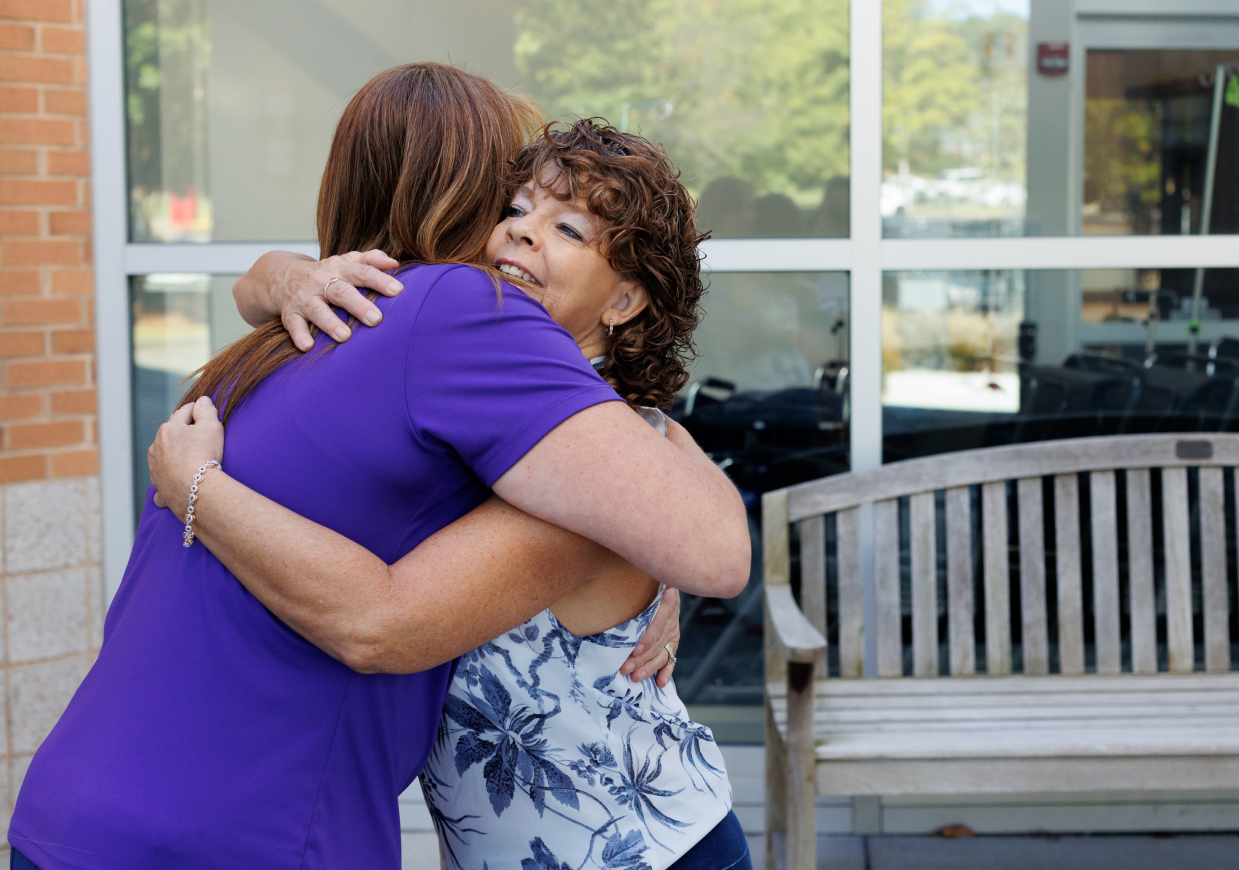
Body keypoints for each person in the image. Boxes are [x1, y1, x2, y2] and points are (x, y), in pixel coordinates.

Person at [8, 66, 749, 870]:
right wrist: (283, 280)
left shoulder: (288, 349)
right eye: (514, 206)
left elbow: (706, 545)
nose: (525, 233)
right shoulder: (437, 319)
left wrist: (650, 518)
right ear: (470, 198)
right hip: (238, 838)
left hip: (643, 849)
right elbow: (385, 617)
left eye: (569, 229)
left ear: (625, 301)